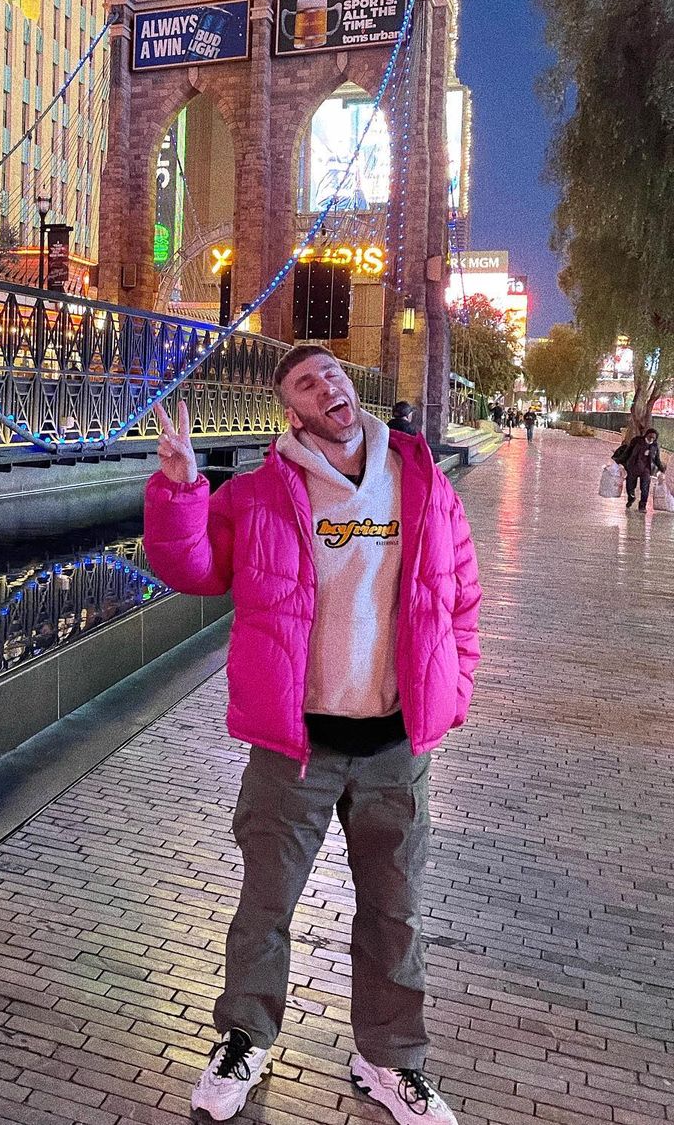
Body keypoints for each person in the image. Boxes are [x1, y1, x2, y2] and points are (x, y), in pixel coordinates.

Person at [145, 345, 481, 1125]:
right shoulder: (261, 493)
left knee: (395, 910)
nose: (327, 384)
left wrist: (452, 688)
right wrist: (181, 488)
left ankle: (390, 1059)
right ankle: (245, 1038)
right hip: (295, 746)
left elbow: (461, 591)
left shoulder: (419, 477)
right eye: (306, 381)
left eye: (331, 371)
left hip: (396, 744)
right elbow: (194, 567)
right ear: (290, 409)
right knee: (264, 904)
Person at [617, 428, 666, 512]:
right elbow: (628, 452)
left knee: (645, 488)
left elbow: (657, 459)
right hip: (633, 467)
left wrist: (662, 469)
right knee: (630, 486)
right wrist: (619, 461)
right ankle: (631, 498)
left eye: (653, 438)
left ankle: (642, 506)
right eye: (650, 437)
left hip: (646, 470)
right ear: (646, 435)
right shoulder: (637, 441)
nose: (651, 439)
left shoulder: (655, 446)